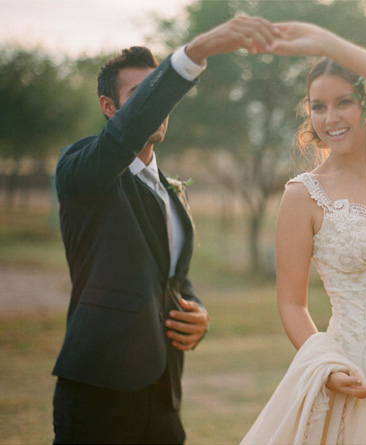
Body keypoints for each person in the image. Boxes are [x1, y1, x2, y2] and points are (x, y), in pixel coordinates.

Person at [51, 16, 279, 444]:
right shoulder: (83, 169)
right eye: (142, 97)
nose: (158, 108)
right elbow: (119, 140)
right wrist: (197, 52)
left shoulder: (172, 190)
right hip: (99, 393)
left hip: (164, 396)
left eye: (161, 97)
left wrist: (197, 314)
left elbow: (170, 274)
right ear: (110, 108)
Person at [242, 22, 366, 444]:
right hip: (353, 371)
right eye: (318, 106)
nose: (329, 118)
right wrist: (329, 368)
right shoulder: (302, 197)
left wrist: (328, 43)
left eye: (344, 102)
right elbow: (292, 303)